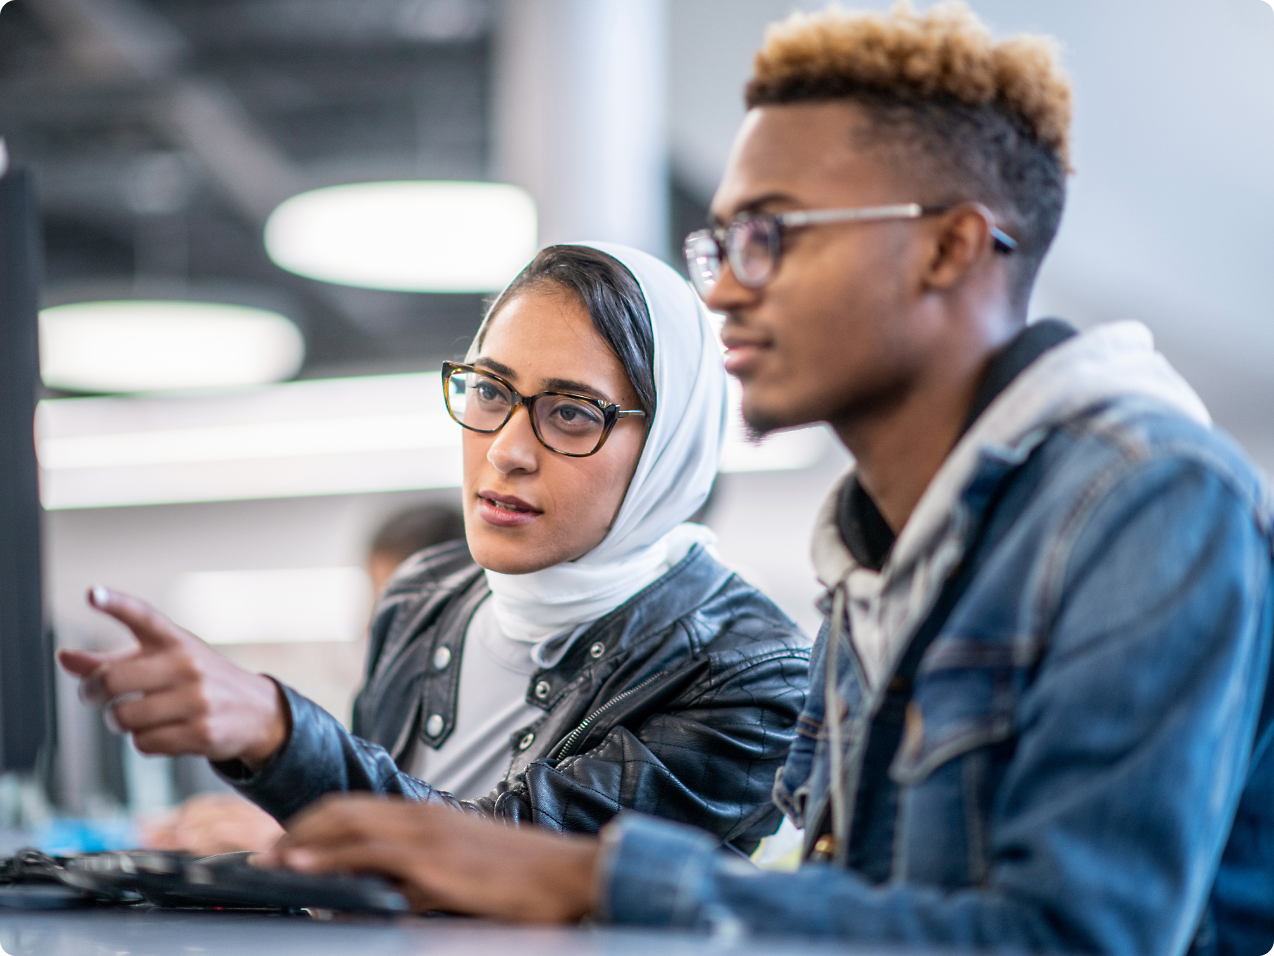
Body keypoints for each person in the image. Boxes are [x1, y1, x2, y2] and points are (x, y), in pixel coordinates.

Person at [256, 5, 1274, 954]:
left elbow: (1068, 935)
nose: (728, 288)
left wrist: (593, 878)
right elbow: (868, 909)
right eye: (723, 239)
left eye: (772, 235)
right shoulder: (876, 551)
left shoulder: (1145, 502)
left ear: (949, 246)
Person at [58, 243, 811, 855]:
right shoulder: (425, 593)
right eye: (489, 390)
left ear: (668, 447)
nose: (508, 449)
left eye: (572, 413)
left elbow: (524, 860)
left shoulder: (752, 674)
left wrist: (282, 735)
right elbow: (368, 879)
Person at [141, 503, 466, 857]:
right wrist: (287, 819)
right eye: (379, 609)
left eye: (400, 615)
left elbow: (454, 848)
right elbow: (378, 806)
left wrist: (301, 837)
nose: (371, 628)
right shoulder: (387, 708)